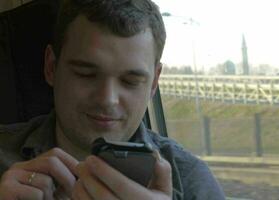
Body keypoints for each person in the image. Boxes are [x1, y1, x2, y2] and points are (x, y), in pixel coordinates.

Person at [0, 0, 225, 199]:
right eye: (85, 74)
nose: (107, 100)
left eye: (130, 81)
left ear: (154, 83)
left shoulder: (190, 180)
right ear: (51, 68)